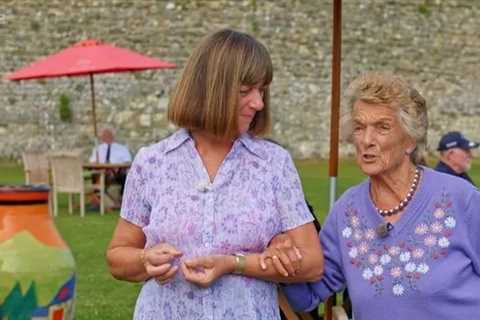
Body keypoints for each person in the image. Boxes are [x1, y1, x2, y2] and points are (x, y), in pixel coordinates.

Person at [106, 29, 324, 320]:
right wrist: (145, 259)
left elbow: (312, 263)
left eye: (262, 90)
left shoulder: (274, 164)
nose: (258, 103)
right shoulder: (152, 163)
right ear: (211, 89)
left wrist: (235, 263)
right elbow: (117, 257)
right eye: (246, 91)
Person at [272, 72, 480, 319]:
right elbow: (307, 296)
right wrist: (286, 258)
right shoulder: (347, 213)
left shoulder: (461, 199)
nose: (367, 140)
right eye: (359, 127)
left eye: (382, 127)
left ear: (410, 140)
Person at [89, 127, 132, 202]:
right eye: (104, 135)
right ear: (101, 137)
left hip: (117, 173)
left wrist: (118, 167)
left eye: (108, 134)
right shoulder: (98, 149)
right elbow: (92, 162)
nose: (106, 137)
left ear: (112, 136)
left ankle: (122, 199)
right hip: (102, 173)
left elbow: (128, 162)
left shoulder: (121, 148)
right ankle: (99, 198)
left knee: (125, 176)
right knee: (95, 174)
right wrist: (97, 163)